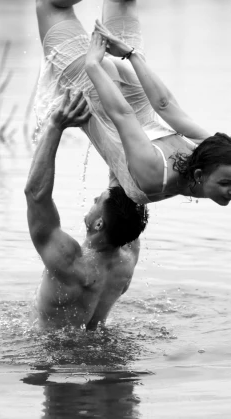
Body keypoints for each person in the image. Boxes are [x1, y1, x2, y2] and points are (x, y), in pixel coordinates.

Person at [34, 0, 231, 205]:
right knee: (49, 2)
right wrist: (94, 65)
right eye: (229, 182)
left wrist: (132, 56)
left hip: (135, 87)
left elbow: (165, 106)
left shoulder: (209, 149)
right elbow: (123, 115)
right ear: (199, 174)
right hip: (102, 93)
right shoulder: (154, 178)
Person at [25, 90, 149, 331]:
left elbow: (35, 196)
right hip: (95, 341)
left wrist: (55, 126)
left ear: (99, 224)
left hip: (48, 349)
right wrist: (106, 115)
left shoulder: (70, 263)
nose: (94, 197)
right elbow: (125, 180)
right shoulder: (128, 255)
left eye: (97, 201)